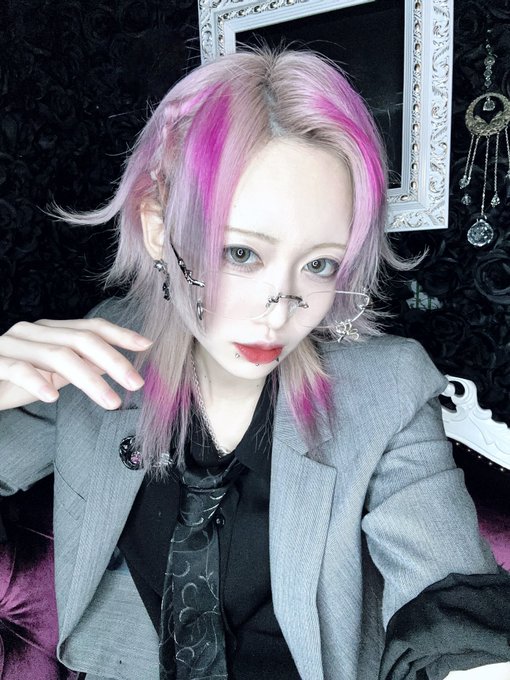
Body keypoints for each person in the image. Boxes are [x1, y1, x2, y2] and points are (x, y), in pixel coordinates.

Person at [0, 48, 509, 680]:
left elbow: (449, 604)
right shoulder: (107, 353)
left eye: (319, 264)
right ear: (158, 228)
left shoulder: (387, 388)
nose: (281, 311)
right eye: (241, 253)